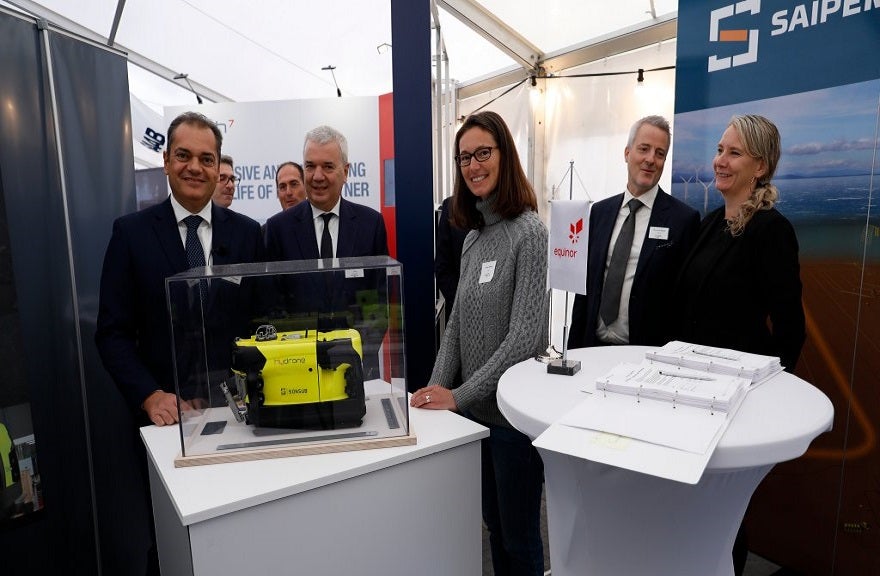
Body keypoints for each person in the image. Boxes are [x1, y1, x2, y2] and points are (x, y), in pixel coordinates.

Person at [95, 111, 263, 574]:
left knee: (239, 534)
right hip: (167, 424)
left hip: (238, 420)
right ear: (166, 161)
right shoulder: (130, 234)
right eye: (184, 156)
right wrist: (149, 395)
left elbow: (262, 322)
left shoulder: (248, 234)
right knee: (174, 543)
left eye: (206, 159)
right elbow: (111, 333)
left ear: (218, 166)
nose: (195, 167)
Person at [411, 110, 549, 576]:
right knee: (494, 529)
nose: (473, 165)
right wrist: (433, 390)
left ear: (505, 155)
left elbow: (523, 339)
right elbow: (455, 325)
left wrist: (458, 395)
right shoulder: (473, 238)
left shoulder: (530, 232)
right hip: (474, 418)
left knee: (520, 539)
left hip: (512, 421)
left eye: (483, 153)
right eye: (464, 157)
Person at [675, 114, 805, 576]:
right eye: (719, 150)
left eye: (734, 153)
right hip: (689, 395)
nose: (720, 161)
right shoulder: (710, 222)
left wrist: (761, 399)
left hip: (732, 405)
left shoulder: (772, 230)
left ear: (761, 167)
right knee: (687, 509)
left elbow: (790, 330)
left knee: (722, 517)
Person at [264, 126, 388, 378]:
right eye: (310, 166)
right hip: (298, 369)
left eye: (328, 167)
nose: (317, 176)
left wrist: (355, 354)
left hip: (357, 368)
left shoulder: (370, 224)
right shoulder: (278, 229)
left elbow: (378, 303)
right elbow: (273, 305)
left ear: (346, 171)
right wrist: (300, 356)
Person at [568, 115, 700, 349]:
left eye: (660, 153)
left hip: (646, 355)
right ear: (627, 153)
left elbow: (685, 302)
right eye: (644, 149)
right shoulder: (599, 212)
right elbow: (584, 290)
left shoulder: (683, 221)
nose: (651, 159)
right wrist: (574, 350)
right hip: (592, 349)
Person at [434, 195, 467, 321]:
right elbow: (442, 267)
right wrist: (461, 301)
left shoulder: (507, 209)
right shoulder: (451, 206)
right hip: (459, 312)